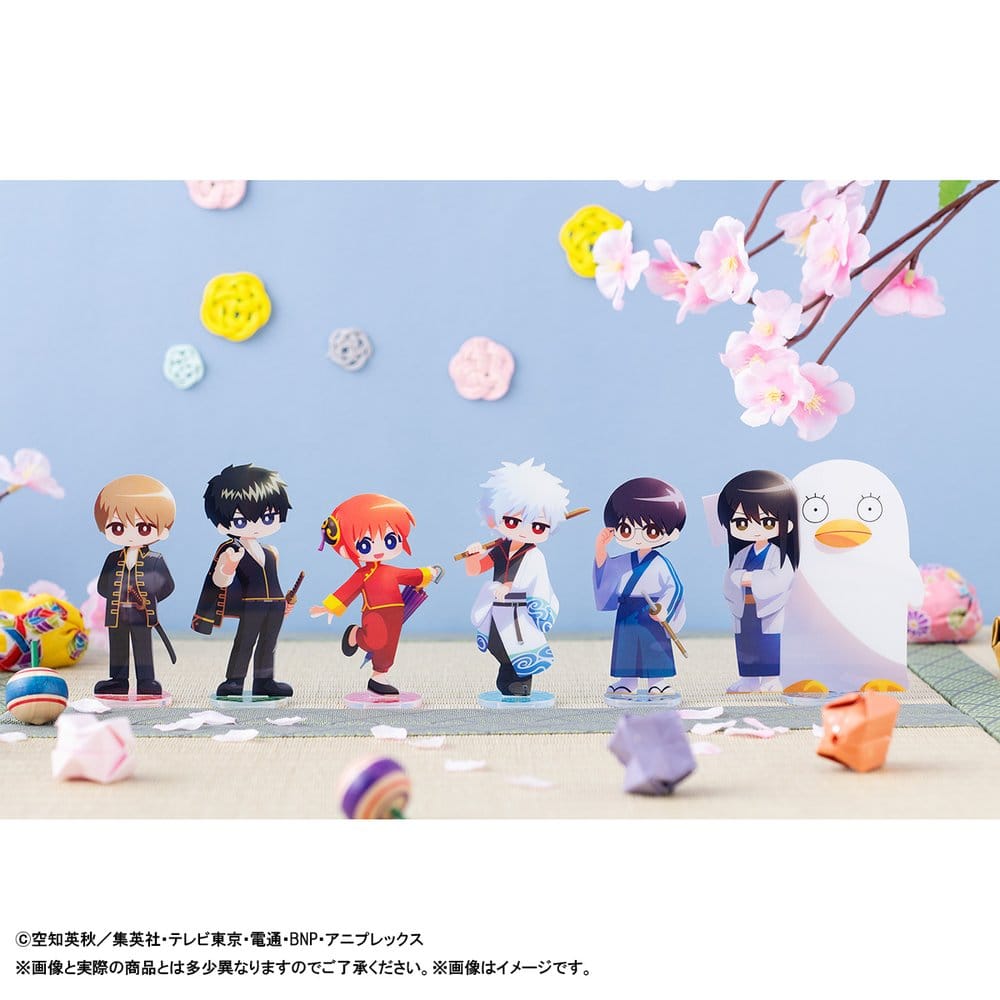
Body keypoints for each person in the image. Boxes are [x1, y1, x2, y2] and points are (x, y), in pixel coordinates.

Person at [310, 493, 440, 697]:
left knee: (390, 646)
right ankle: (355, 634)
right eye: (365, 544)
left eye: (390, 540)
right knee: (375, 641)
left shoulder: (391, 571)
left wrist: (428, 573)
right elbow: (348, 589)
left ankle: (378, 678)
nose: (379, 550)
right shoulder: (363, 574)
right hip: (374, 613)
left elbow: (411, 575)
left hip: (396, 612)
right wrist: (329, 607)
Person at [463, 458, 569, 696]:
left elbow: (534, 583)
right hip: (497, 610)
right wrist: (473, 555)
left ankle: (521, 683)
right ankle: (508, 678)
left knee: (518, 650)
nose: (522, 529)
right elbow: (475, 569)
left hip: (519, 614)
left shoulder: (534, 555)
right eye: (512, 521)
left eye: (537, 526)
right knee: (498, 647)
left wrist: (509, 587)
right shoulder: (500, 548)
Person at [191, 463, 295, 698]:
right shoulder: (231, 550)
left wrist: (283, 603)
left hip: (274, 606)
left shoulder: (271, 551)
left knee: (269, 644)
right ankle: (234, 681)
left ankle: (265, 681)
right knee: (245, 642)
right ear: (222, 525)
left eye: (267, 516)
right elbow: (220, 581)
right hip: (251, 605)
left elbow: (273, 581)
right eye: (241, 520)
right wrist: (228, 566)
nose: (256, 524)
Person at [593, 477, 686, 696]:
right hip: (627, 609)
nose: (637, 536)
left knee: (654, 646)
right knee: (627, 647)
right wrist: (600, 547)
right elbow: (606, 570)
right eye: (626, 529)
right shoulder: (624, 560)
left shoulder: (660, 562)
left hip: (651, 610)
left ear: (670, 532)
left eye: (651, 530)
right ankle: (628, 681)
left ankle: (657, 681)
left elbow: (675, 588)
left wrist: (664, 608)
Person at [716, 469, 799, 693]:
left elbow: (781, 579)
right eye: (742, 523)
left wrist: (749, 578)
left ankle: (771, 678)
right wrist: (740, 578)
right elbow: (730, 577)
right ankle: (749, 680)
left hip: (767, 608)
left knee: (769, 643)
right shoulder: (742, 555)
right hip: (744, 608)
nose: (755, 528)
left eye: (768, 521)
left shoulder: (778, 555)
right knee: (746, 643)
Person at [94, 474, 175, 696]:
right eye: (118, 527)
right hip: (117, 614)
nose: (130, 533)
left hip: (142, 614)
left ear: (162, 530)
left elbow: (167, 586)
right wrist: (117, 596)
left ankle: (146, 681)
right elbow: (102, 586)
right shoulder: (113, 558)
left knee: (142, 647)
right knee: (118, 647)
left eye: (144, 527)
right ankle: (118, 681)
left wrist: (148, 600)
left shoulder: (155, 560)